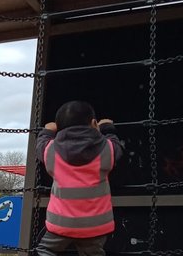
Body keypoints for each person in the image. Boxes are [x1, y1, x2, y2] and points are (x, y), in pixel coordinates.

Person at [35, 100, 123, 256]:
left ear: (59, 128)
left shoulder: (51, 151)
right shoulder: (107, 149)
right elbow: (117, 147)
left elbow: (40, 145)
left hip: (61, 222)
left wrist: (47, 131)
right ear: (94, 123)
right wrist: (107, 128)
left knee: (45, 250)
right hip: (95, 224)